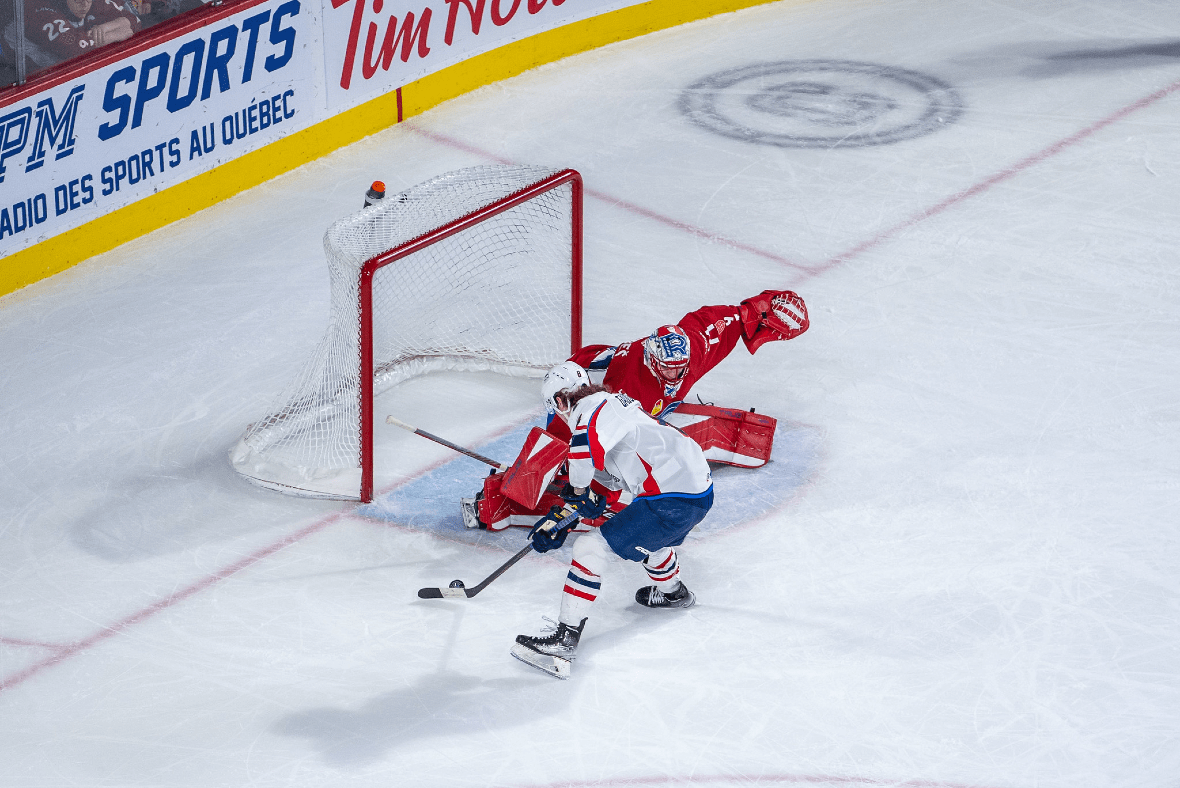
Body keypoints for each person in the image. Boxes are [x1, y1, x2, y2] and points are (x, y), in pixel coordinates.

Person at [462, 289, 809, 530]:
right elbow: (584, 436)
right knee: (586, 479)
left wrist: (763, 308)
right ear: (651, 361)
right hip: (579, 391)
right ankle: (499, 502)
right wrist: (563, 477)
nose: (676, 374)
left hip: (632, 405)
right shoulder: (620, 389)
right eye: (668, 369)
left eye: (681, 368)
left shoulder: (692, 346)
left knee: (650, 450)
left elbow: (728, 320)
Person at [510, 362, 715, 679]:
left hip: (670, 496)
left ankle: (563, 642)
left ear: (561, 401)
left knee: (590, 548)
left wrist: (577, 492)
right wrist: (561, 519)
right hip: (696, 494)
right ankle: (674, 593)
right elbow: (604, 487)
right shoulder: (615, 408)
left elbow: (582, 451)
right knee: (651, 540)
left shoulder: (592, 408)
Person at [22, 0, 140, 67]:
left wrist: (106, 27)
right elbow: (75, 48)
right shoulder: (42, 10)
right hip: (18, 66)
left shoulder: (92, 2)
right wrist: (116, 35)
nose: (84, 4)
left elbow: (134, 20)